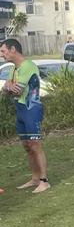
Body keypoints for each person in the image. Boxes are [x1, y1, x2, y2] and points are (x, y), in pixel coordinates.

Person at [0, 38, 50, 193]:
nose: (2, 55)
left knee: (35, 144)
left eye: (3, 51)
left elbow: (17, 90)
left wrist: (10, 87)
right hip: (21, 109)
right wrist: (8, 86)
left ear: (13, 49)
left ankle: (44, 180)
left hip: (31, 109)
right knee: (27, 146)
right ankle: (35, 178)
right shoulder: (13, 69)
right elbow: (6, 90)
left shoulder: (28, 66)